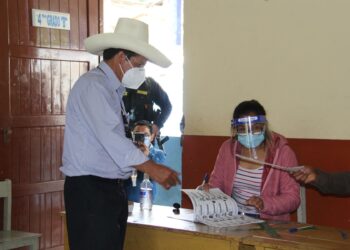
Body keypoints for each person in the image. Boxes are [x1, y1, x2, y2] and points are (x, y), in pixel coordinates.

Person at [60, 18, 180, 250]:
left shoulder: (113, 90)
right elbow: (111, 138)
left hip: (109, 189)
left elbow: (108, 140)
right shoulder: (94, 87)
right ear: (122, 57)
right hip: (91, 191)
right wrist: (151, 167)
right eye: (139, 64)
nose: (141, 72)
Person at [206, 100, 300, 221]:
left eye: (255, 128)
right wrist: (208, 190)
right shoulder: (228, 149)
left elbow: (293, 198)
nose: (249, 133)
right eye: (242, 129)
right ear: (236, 130)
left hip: (269, 222)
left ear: (264, 127)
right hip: (233, 218)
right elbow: (216, 184)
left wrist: (264, 203)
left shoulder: (282, 153)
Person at [125, 120, 166, 202]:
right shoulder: (125, 153)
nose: (141, 138)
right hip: (125, 200)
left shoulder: (159, 154)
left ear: (152, 137)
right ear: (132, 135)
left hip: (145, 202)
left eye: (145, 135)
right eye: (137, 135)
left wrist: (147, 156)